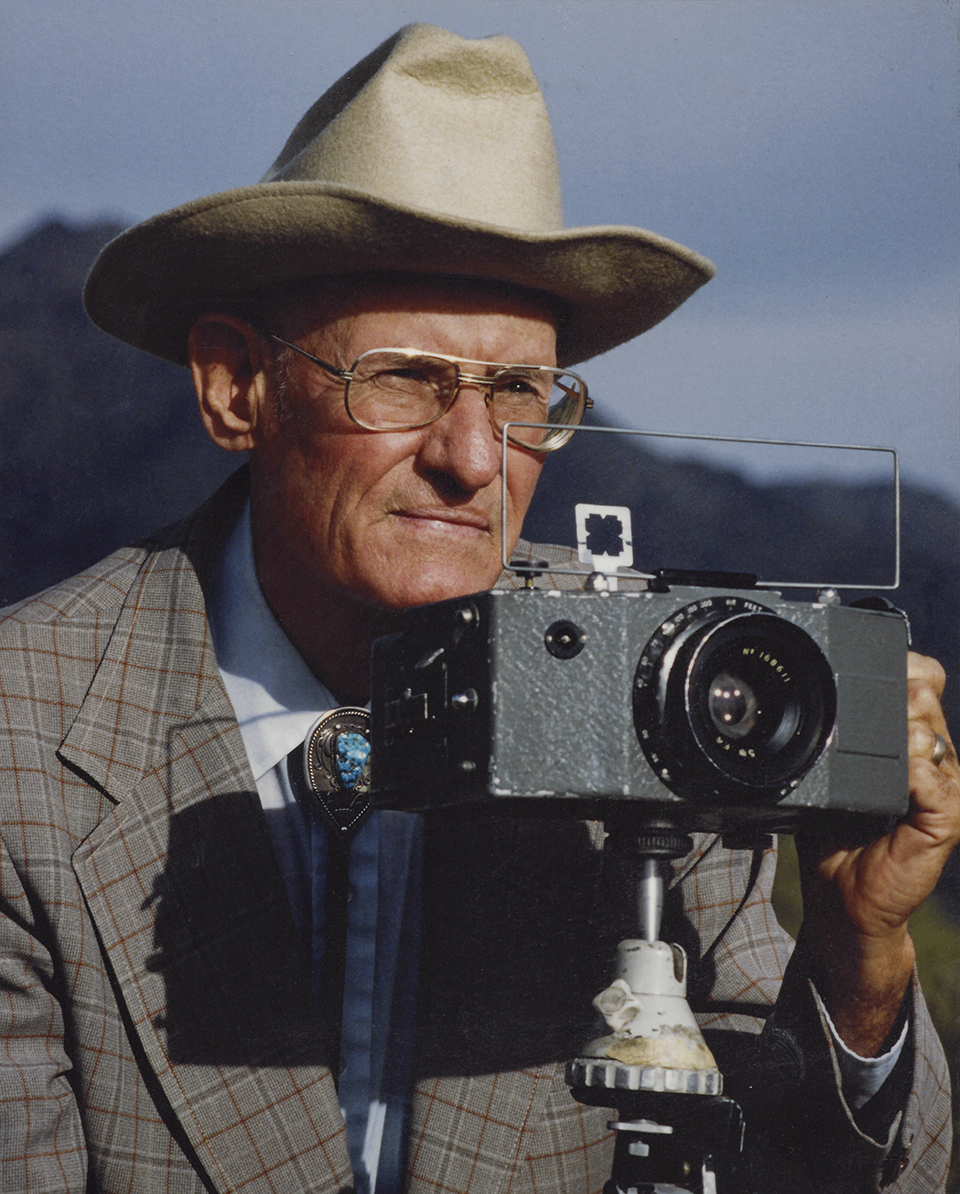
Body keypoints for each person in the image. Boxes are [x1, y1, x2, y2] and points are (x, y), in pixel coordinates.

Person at [0, 24, 956, 1194]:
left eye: (519, 392)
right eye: (402, 377)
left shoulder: (654, 692)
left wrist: (858, 951)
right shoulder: (22, 752)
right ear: (238, 385)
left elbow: (788, 1173)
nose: (472, 457)